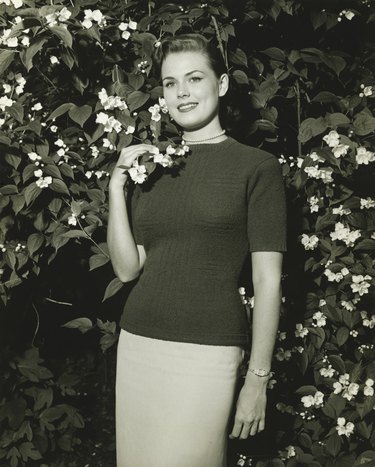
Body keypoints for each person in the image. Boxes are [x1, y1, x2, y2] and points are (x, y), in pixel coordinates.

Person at [107, 33, 287, 467]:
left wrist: (257, 380)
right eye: (170, 83)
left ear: (221, 85)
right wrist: (115, 185)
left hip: (208, 351)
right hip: (138, 343)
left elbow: (267, 281)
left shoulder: (256, 168)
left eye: (194, 78)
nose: (182, 93)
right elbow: (128, 269)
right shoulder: (153, 168)